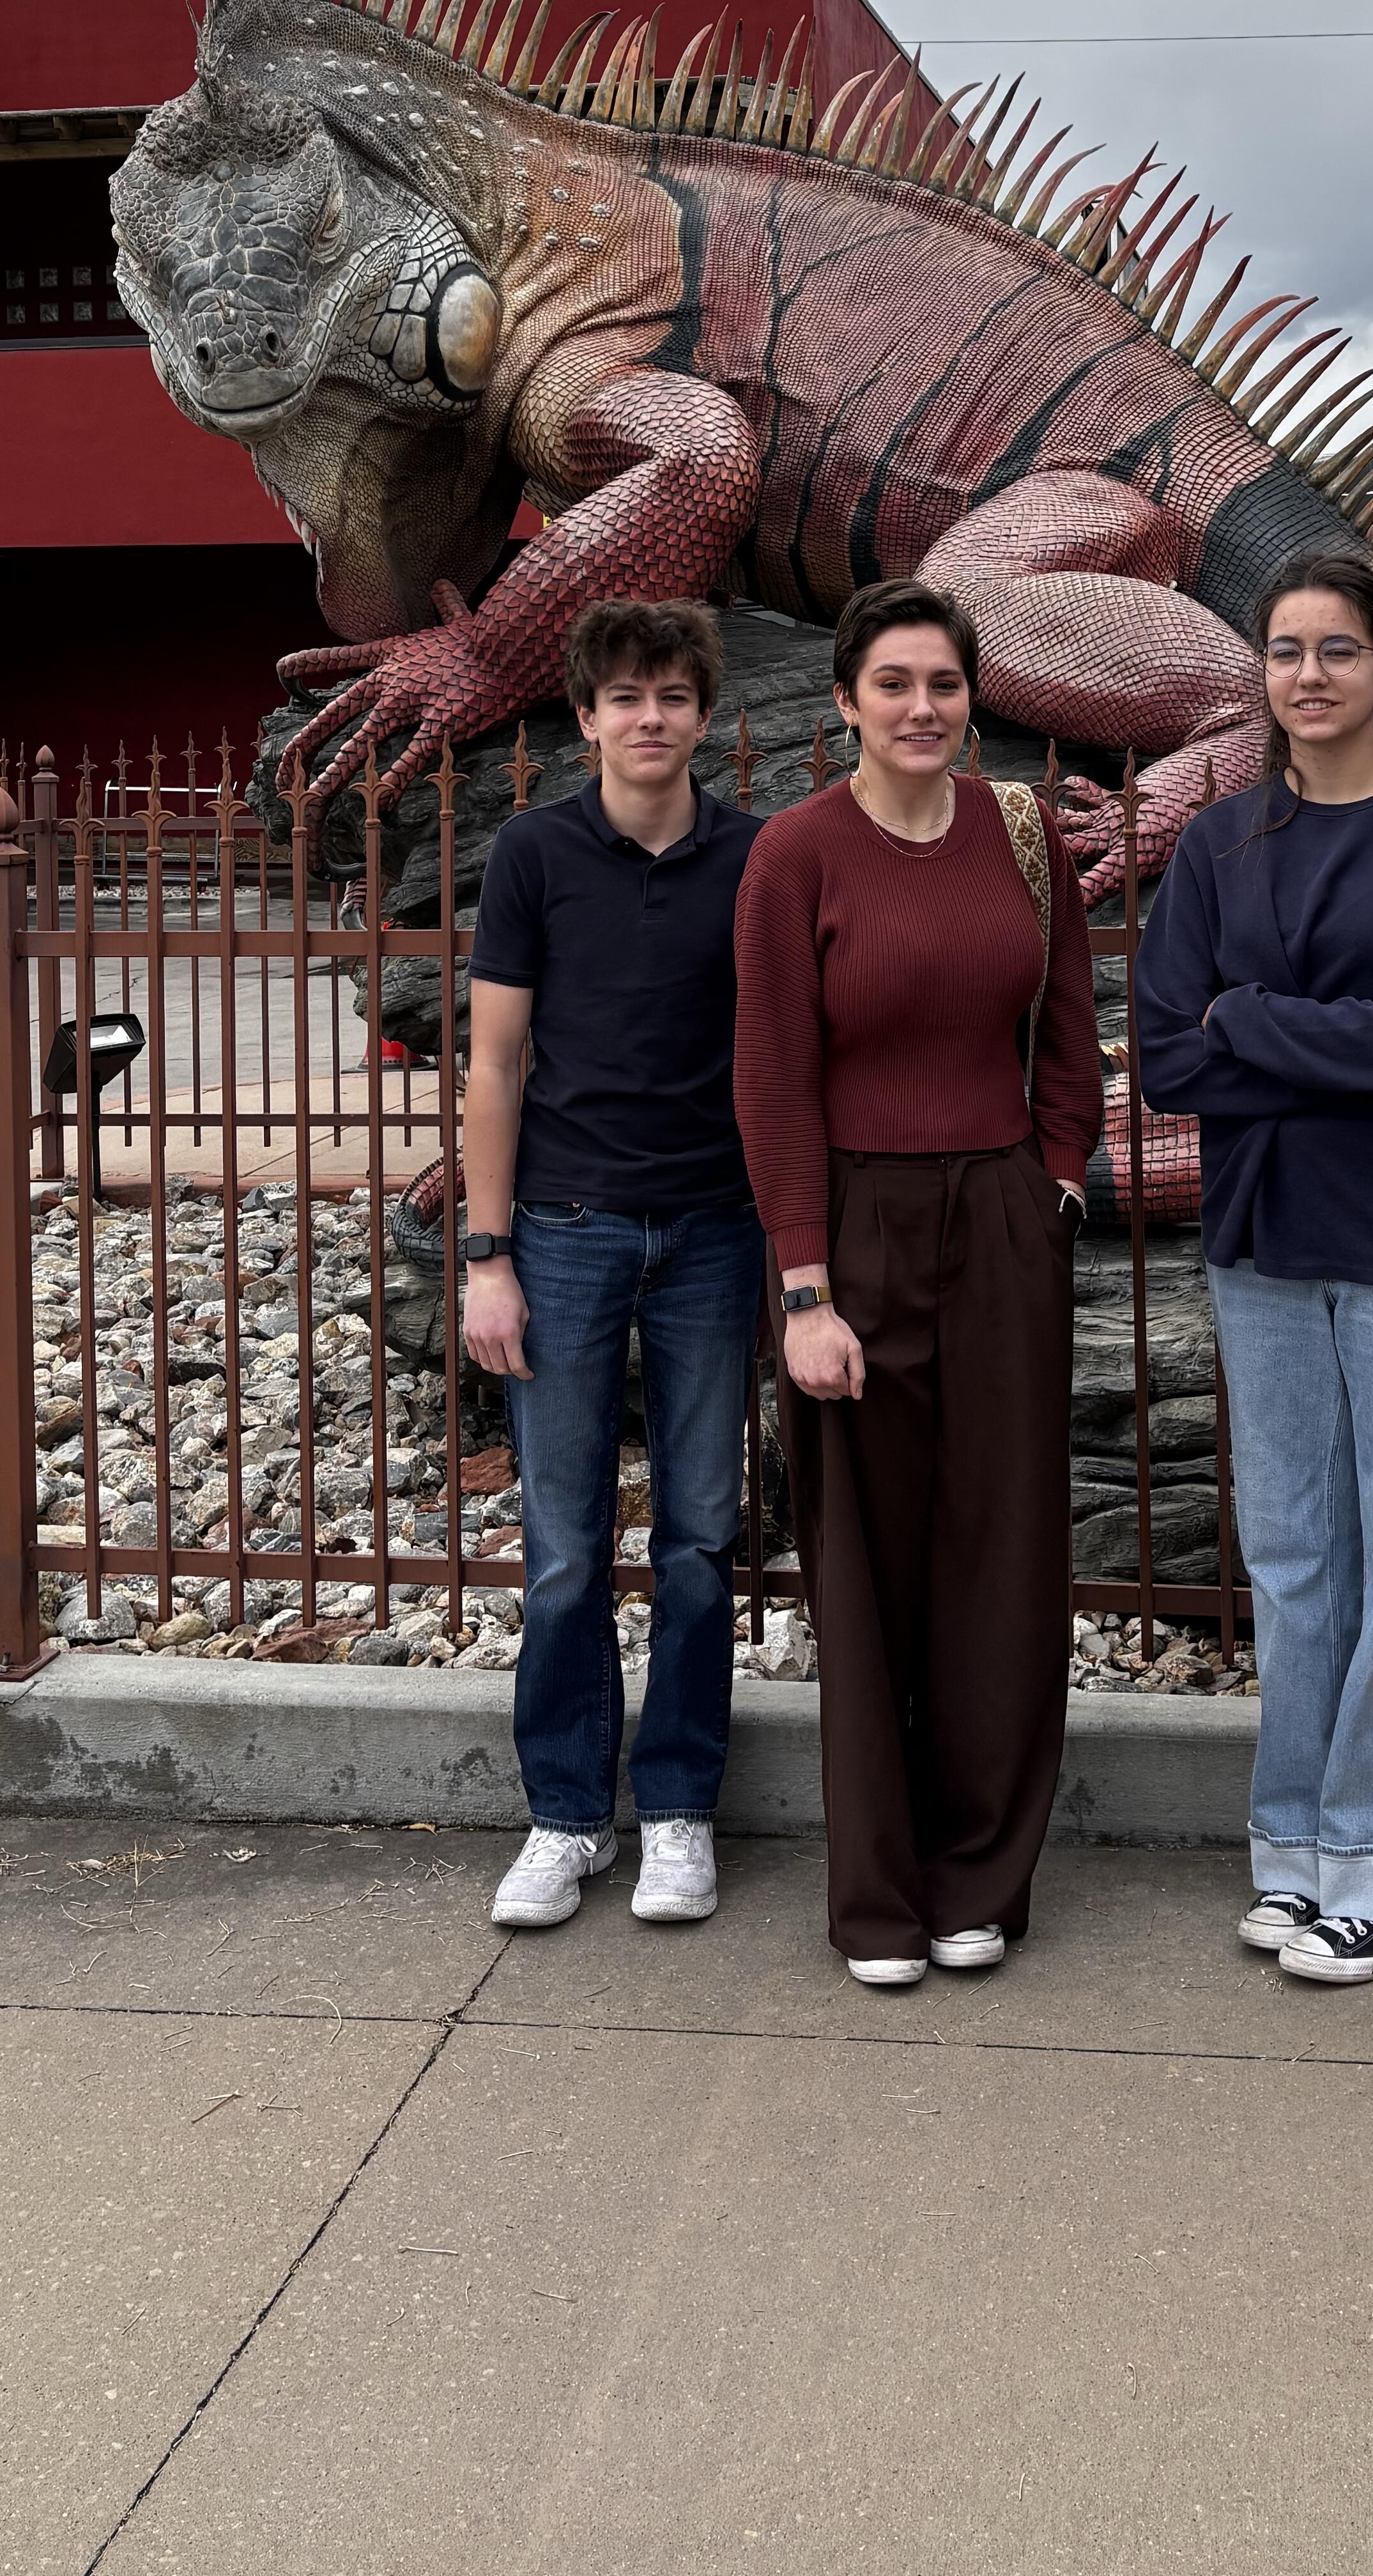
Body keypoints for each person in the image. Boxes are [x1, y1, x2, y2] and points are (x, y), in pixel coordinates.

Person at [1133, 549, 1373, 1987]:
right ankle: (1300, 1846)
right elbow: (1166, 1060)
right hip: (1266, 1236)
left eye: (1338, 649)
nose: (1310, 674)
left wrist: (1248, 1018)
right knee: (1297, 1555)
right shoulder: (1220, 844)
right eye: (1286, 650)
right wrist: (1297, 1042)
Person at [732, 580, 1103, 1987]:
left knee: (1004, 1552)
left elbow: (1067, 1033)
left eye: (943, 682)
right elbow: (772, 1079)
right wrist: (805, 1291)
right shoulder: (796, 854)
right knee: (865, 1564)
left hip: (1002, 1215)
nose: (921, 707)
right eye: (892, 683)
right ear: (845, 701)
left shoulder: (1023, 835)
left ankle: (981, 1880)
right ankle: (880, 1896)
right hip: (855, 1228)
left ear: (971, 698)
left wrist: (1056, 1178)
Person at [461, 597, 763, 1931]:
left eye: (673, 696)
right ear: (585, 718)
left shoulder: (755, 858)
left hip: (713, 1229)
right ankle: (569, 1815)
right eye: (626, 697)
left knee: (699, 1538)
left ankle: (681, 1808)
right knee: (566, 1547)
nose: (651, 718)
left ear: (704, 714)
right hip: (566, 1229)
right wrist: (487, 1256)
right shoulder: (535, 853)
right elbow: (495, 1065)